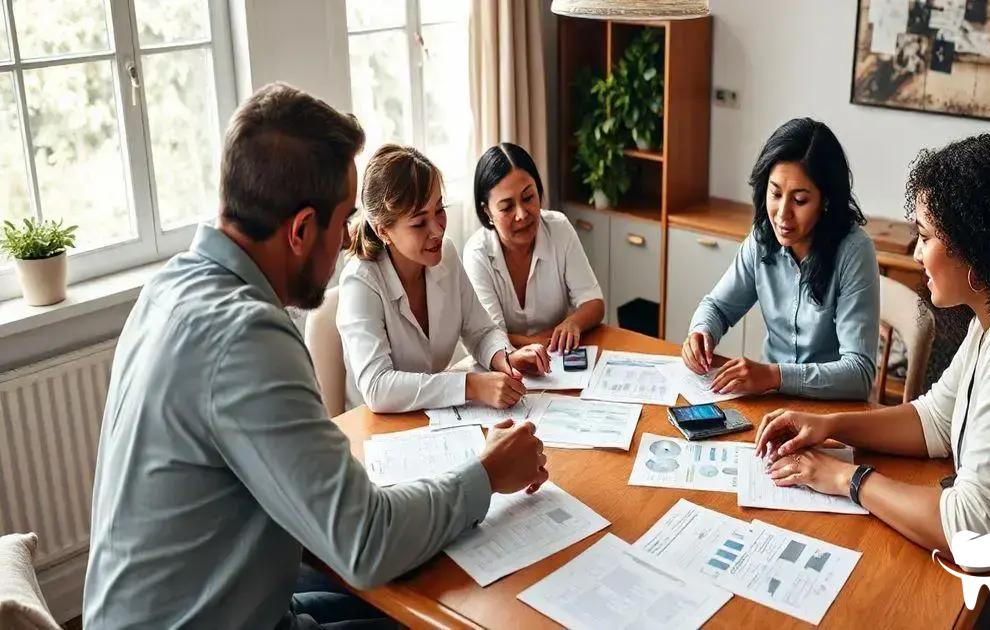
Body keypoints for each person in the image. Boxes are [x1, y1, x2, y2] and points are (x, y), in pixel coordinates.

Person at [83, 83, 549, 630]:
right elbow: (366, 542)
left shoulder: (168, 288)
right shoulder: (247, 337)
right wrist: (487, 476)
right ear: (303, 229)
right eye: (345, 219)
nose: (349, 241)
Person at [754, 134, 990, 629]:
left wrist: (846, 479)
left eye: (926, 236)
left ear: (975, 247)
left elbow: (975, 533)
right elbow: (934, 419)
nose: (915, 252)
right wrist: (830, 426)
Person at [339, 144, 551, 413]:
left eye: (439, 210)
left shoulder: (445, 254)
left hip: (438, 420)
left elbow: (481, 330)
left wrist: (503, 358)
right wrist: (471, 386)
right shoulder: (360, 282)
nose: (437, 230)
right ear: (384, 231)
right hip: (375, 431)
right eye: (418, 223)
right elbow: (377, 388)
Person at [682, 118, 880, 400]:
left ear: (826, 201)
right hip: (771, 401)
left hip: (833, 412)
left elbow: (859, 373)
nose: (782, 214)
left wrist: (774, 375)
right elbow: (718, 307)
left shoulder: (854, 252)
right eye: (775, 194)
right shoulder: (762, 238)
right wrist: (701, 332)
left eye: (799, 201)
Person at [463, 143, 605, 352]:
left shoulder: (559, 228)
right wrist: (535, 342)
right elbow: (489, 337)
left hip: (556, 358)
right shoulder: (477, 254)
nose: (522, 214)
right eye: (507, 207)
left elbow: (593, 302)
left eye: (528, 197)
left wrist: (572, 323)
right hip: (504, 366)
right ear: (487, 213)